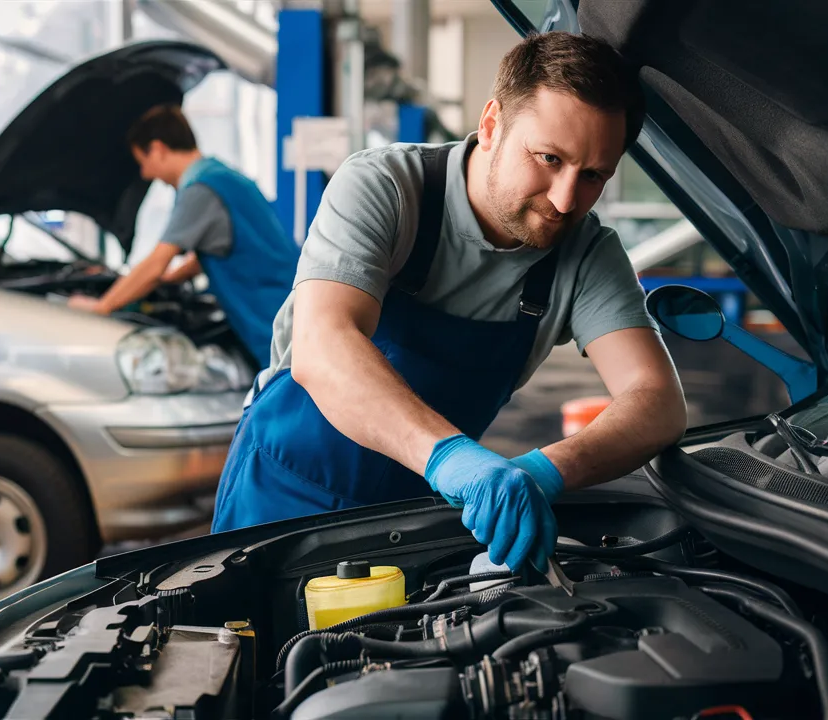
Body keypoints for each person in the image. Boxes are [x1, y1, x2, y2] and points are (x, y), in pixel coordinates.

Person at [210, 32, 688, 572]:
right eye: (549, 158)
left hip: (417, 520)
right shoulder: (385, 188)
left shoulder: (585, 253)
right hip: (279, 497)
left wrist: (542, 471)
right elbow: (323, 345)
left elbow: (657, 399)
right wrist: (451, 457)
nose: (564, 199)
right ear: (490, 126)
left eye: (594, 175)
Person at [69, 104, 298, 368]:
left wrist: (102, 307)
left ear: (157, 148)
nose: (145, 174)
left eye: (143, 163)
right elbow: (217, 249)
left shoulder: (199, 189)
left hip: (272, 318)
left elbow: (156, 263)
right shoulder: (221, 176)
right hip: (285, 311)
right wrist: (171, 279)